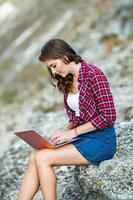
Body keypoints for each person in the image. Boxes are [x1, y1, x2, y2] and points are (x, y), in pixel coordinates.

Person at [17, 38, 117, 200]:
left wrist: (73, 133)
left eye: (53, 65)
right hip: (83, 138)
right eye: (50, 68)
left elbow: (108, 115)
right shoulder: (68, 80)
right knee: (35, 155)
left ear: (64, 56)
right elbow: (77, 116)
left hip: (102, 141)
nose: (54, 72)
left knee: (43, 159)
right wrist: (64, 132)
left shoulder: (94, 74)